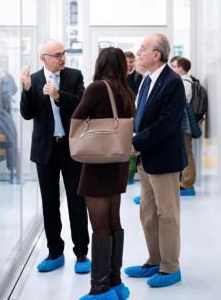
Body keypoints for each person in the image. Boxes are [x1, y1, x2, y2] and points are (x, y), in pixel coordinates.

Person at [20, 39, 91, 273]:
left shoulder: (74, 75)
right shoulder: (36, 79)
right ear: (44, 58)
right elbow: (27, 114)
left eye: (64, 53)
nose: (63, 58)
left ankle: (81, 253)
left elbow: (82, 104)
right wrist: (27, 89)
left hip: (71, 148)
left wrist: (58, 94)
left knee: (76, 201)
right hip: (45, 150)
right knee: (50, 203)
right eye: (57, 54)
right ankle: (54, 252)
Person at [124, 34, 187, 288]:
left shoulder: (172, 82)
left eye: (143, 49)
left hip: (164, 160)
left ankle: (170, 267)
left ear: (156, 55)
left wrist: (137, 143)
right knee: (148, 213)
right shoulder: (147, 80)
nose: (138, 53)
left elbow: (166, 125)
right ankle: (154, 260)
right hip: (146, 159)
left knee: (167, 214)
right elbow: (141, 116)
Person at [73, 47, 135, 300]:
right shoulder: (125, 91)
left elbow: (78, 118)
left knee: (99, 227)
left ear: (101, 63)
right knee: (113, 222)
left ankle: (99, 290)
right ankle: (115, 283)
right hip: (117, 163)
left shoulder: (98, 88)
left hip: (97, 164)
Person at [170, 56, 197, 196]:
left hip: (184, 125)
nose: (172, 69)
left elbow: (180, 103)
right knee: (185, 152)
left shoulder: (185, 83)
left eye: (174, 66)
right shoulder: (184, 81)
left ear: (181, 67)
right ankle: (184, 182)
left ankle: (187, 183)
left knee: (187, 152)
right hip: (182, 124)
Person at [124, 51, 142, 185]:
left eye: (131, 61)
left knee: (133, 144)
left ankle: (130, 174)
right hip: (122, 115)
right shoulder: (119, 76)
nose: (129, 64)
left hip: (134, 114)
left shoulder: (139, 77)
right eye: (127, 61)